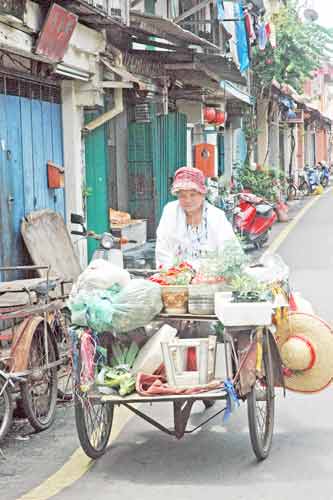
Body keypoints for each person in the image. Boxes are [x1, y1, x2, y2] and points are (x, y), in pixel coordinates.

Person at [155, 166, 240, 269]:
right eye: (182, 196)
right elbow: (162, 249)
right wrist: (172, 273)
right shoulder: (170, 211)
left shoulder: (216, 216)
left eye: (193, 194)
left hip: (211, 277)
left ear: (202, 194)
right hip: (177, 277)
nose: (188, 200)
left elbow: (230, 251)